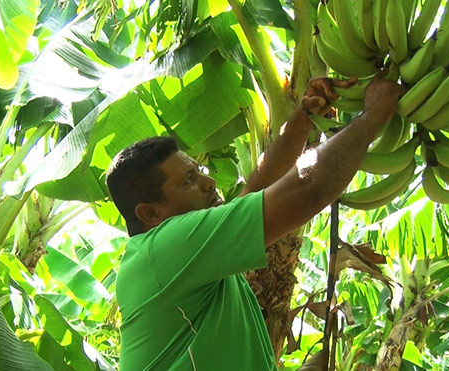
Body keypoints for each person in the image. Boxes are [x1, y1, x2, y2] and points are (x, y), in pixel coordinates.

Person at [106, 71, 404, 370]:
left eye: (199, 171)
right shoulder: (162, 252)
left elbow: (255, 191)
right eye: (189, 180)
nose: (208, 182)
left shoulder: (190, 258)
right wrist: (374, 114)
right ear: (150, 213)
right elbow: (307, 188)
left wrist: (303, 118)